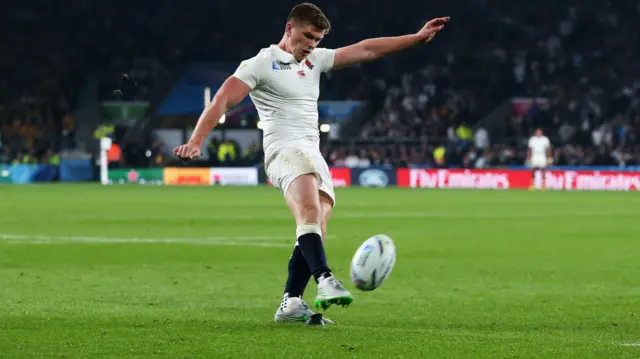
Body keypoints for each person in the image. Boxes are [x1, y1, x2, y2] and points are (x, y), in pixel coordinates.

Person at [173, 2, 449, 324]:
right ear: (289, 29)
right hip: (284, 151)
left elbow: (367, 50)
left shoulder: (315, 61)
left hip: (312, 153)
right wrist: (196, 140)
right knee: (308, 211)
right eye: (307, 37)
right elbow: (222, 98)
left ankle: (291, 302)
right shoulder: (261, 64)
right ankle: (326, 279)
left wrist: (415, 39)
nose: (312, 45)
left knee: (316, 223)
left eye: (317, 40)